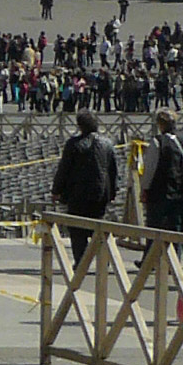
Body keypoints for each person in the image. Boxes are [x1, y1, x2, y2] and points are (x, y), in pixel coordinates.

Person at [49, 109, 119, 266]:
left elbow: (64, 169)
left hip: (77, 194)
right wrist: (113, 192)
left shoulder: (73, 144)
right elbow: (113, 171)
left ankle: (81, 262)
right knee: (98, 228)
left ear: (80, 126)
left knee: (77, 230)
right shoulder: (107, 144)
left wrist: (56, 190)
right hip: (100, 193)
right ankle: (104, 260)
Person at [140, 110, 183, 231]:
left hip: (160, 191)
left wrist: (144, 188)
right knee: (177, 226)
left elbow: (150, 168)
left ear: (160, 124)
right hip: (182, 189)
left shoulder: (158, 141)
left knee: (155, 227)